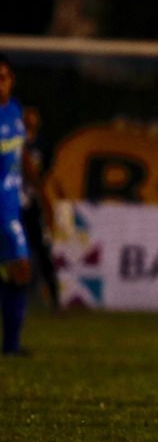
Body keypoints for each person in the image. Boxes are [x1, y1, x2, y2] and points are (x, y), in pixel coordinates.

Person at [0, 54, 32, 356]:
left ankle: (11, 345)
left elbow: (20, 155)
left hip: (10, 207)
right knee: (19, 269)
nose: (1, 83)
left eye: (4, 77)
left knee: (21, 270)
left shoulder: (15, 112)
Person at [20, 106, 61, 311]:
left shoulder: (43, 145)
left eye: (34, 118)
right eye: (27, 118)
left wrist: (47, 202)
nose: (30, 121)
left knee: (43, 253)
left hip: (33, 204)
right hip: (13, 201)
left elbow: (46, 177)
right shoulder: (12, 141)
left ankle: (55, 300)